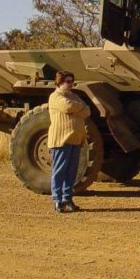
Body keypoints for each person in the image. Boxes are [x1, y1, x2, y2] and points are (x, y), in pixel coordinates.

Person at [48, 70, 91, 213]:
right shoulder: (55, 97)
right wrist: (78, 107)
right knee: (59, 171)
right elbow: (68, 106)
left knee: (71, 172)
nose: (71, 84)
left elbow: (87, 111)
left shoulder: (74, 96)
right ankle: (57, 200)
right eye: (68, 81)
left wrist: (77, 108)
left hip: (75, 139)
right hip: (61, 140)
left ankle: (68, 199)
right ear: (60, 82)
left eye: (72, 81)